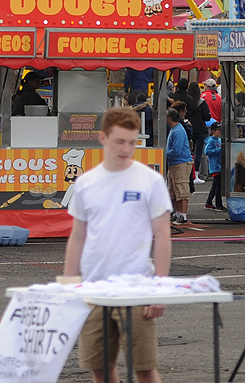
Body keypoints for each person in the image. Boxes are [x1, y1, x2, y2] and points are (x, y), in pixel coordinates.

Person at [62, 107, 172, 383]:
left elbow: (163, 236)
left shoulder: (151, 181)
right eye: (120, 141)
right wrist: (68, 284)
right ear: (103, 138)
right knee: (99, 368)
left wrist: (159, 288)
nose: (126, 149)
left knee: (145, 368)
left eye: (132, 142)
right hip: (94, 289)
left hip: (137, 288)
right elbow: (77, 236)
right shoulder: (86, 183)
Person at [164, 108, 192, 227]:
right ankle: (178, 213)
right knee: (175, 190)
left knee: (181, 189)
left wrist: (165, 154)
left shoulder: (178, 131)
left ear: (170, 118)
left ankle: (183, 215)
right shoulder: (174, 129)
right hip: (175, 162)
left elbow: (177, 150)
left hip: (180, 162)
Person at [204, 119, 225, 212]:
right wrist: (218, 150)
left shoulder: (219, 140)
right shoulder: (211, 141)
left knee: (215, 185)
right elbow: (207, 151)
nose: (220, 132)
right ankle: (218, 204)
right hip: (215, 166)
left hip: (220, 165)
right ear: (213, 131)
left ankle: (209, 202)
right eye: (218, 130)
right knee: (218, 186)